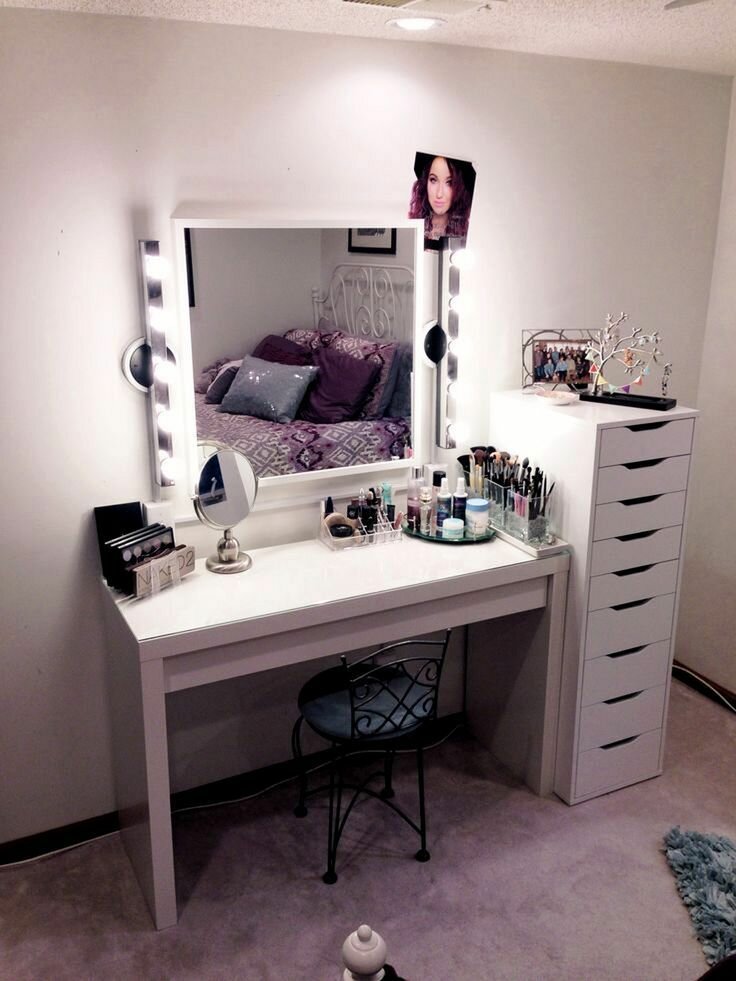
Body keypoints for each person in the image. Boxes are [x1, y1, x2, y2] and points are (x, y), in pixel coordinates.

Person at [408, 152, 476, 249]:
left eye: (449, 182)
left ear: (460, 188)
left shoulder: (471, 234)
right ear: (425, 183)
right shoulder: (412, 227)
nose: (439, 194)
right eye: (433, 180)